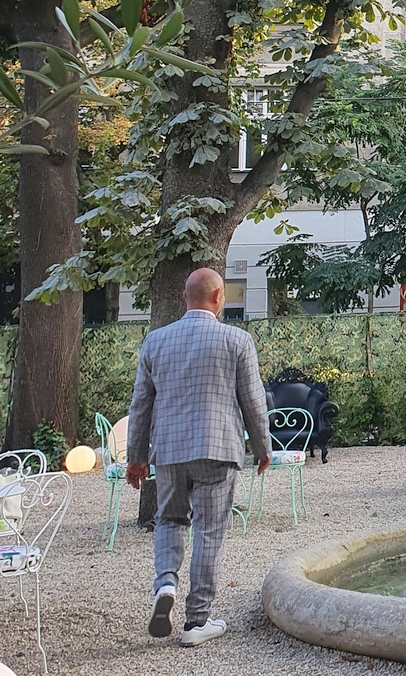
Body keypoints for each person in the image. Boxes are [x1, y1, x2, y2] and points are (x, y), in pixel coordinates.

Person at [126, 268, 271, 648]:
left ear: (183, 297)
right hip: (218, 449)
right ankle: (196, 621)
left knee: (168, 520)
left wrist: (136, 457)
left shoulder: (155, 342)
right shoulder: (237, 340)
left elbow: (141, 404)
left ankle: (165, 586)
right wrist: (262, 447)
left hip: (169, 452)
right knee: (208, 531)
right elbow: (253, 401)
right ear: (219, 297)